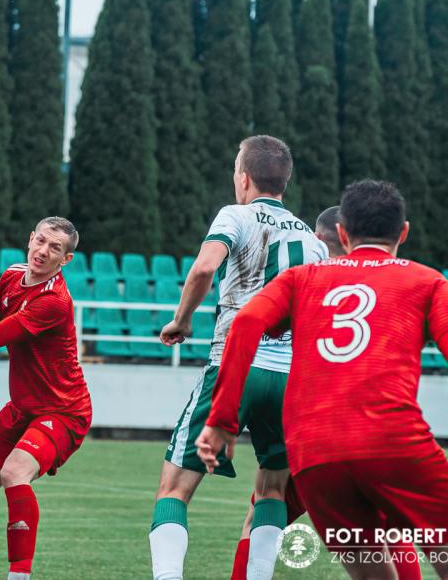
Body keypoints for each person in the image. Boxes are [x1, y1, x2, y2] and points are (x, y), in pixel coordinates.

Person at [197, 180, 448, 580]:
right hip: (394, 441)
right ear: (403, 233)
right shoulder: (429, 282)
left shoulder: (300, 279)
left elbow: (245, 322)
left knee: (370, 574)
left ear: (342, 232)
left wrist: (221, 421)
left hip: (315, 454)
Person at [151, 135, 328, 580]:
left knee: (174, 489)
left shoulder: (236, 214)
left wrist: (181, 320)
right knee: (272, 489)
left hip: (236, 365)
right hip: (289, 378)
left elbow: (204, 267)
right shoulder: (314, 241)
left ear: (244, 177)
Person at [0, 217, 92, 580]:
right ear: (30, 238)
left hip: (63, 411)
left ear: (66, 259)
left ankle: (19, 575)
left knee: (14, 472)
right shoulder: (12, 276)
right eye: (41, 241)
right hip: (22, 408)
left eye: (55, 248)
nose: (44, 251)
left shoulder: (54, 301)